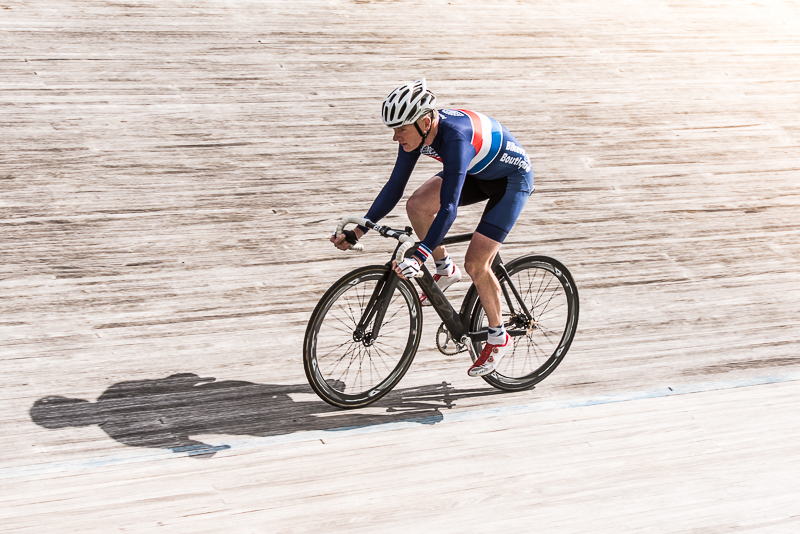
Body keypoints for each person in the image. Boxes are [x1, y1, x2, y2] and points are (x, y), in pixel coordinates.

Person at [330, 79, 533, 377]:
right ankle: (445, 268)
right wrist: (360, 230)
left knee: (477, 263)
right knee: (417, 206)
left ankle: (498, 336)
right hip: (477, 171)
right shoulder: (418, 131)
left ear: (425, 122)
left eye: (400, 129)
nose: (395, 137)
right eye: (394, 129)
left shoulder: (455, 140)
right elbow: (394, 187)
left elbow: (448, 208)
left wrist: (420, 254)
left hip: (511, 181)